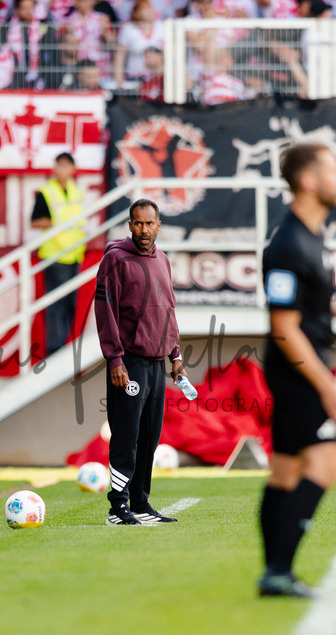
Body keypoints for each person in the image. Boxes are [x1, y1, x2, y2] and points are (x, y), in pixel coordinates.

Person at [257, 142, 336, 598]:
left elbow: (302, 303)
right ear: (309, 181)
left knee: (286, 472)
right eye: (333, 169)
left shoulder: (310, 237)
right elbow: (284, 328)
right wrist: (329, 389)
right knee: (326, 461)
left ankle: (275, 572)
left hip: (299, 365)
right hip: (297, 368)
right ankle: (278, 573)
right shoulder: (288, 244)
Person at [94, 198, 186, 526]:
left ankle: (141, 504)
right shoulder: (115, 260)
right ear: (130, 226)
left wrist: (174, 355)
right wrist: (115, 359)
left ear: (159, 225)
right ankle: (117, 507)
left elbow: (168, 309)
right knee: (126, 433)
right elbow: (104, 312)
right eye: (138, 223)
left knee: (150, 434)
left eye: (150, 223)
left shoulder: (162, 260)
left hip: (157, 362)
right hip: (128, 362)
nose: (144, 229)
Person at [31, 152, 86, 355]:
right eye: (57, 165)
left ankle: (63, 346)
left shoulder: (76, 191)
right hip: (55, 255)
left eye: (64, 166)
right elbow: (35, 221)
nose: (59, 170)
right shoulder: (46, 192)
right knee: (56, 305)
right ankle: (54, 349)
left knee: (71, 304)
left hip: (74, 254)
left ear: (73, 169)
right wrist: (57, 224)